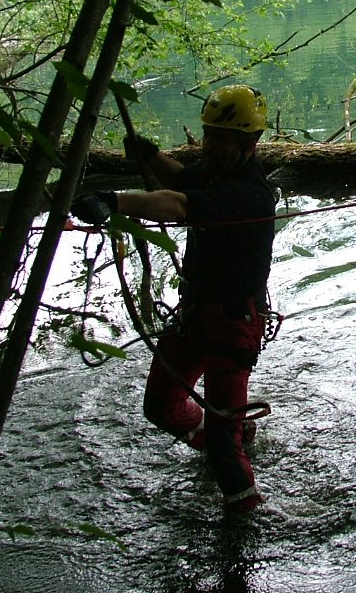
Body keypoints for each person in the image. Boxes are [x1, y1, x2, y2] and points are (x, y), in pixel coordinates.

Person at [72, 85, 277, 514]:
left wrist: (115, 201)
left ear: (248, 143)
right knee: (160, 405)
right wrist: (149, 156)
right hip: (196, 314)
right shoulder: (217, 172)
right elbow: (182, 180)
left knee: (223, 446)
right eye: (207, 134)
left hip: (233, 322)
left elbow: (180, 204)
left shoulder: (249, 193)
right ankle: (231, 435)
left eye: (219, 137)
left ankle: (246, 516)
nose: (209, 145)